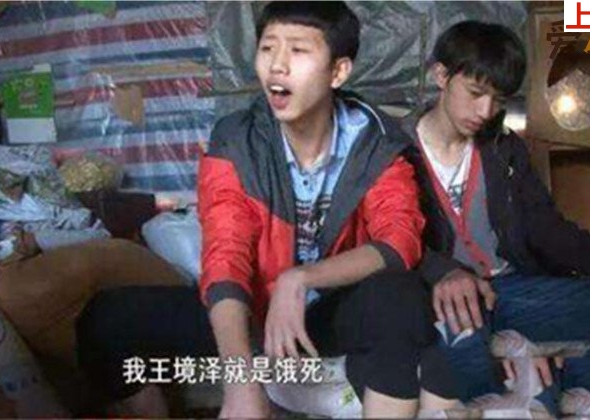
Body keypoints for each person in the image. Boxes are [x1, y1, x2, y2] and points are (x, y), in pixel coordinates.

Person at [76, 2, 460, 418]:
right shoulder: (236, 142)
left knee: (399, 297)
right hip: (254, 311)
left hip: (326, 314)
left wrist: (301, 278)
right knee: (107, 318)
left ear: (338, 72)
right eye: (267, 48)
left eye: (298, 50)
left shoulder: (375, 143)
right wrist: (240, 379)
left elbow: (399, 241)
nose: (277, 65)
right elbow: (225, 257)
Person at [408, 20, 590, 418]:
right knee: (460, 350)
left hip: (510, 291)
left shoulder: (503, 149)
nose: (485, 112)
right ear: (441, 75)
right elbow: (386, 241)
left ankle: (562, 382)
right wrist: (443, 272)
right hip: (445, 303)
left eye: (498, 100)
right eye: (475, 93)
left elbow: (550, 232)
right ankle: (555, 386)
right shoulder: (396, 151)